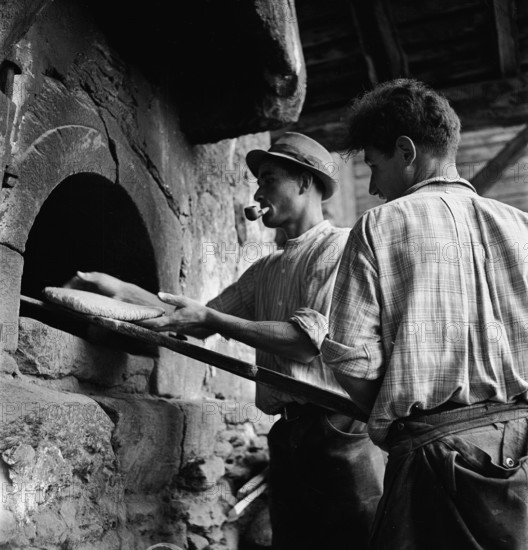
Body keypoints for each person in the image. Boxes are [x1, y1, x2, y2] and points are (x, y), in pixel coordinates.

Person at [69, 132, 385, 550]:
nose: (257, 191)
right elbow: (195, 319)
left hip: (338, 432)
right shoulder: (265, 270)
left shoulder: (340, 248)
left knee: (355, 542)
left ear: (306, 183)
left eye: (269, 178)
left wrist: (213, 318)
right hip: (287, 434)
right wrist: (116, 289)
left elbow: (306, 341)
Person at [290, 79, 528, 549]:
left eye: (373, 167)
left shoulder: (381, 224)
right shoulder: (521, 226)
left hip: (433, 461)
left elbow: (351, 360)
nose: (374, 186)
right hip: (521, 456)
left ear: (405, 151)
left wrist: (398, 418)